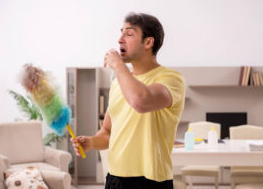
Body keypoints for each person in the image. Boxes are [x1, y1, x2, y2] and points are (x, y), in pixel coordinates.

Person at [71, 12, 186, 189]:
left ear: (148, 42)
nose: (120, 40)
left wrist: (118, 65)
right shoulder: (118, 84)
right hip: (115, 180)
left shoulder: (171, 79)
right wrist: (92, 142)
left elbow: (141, 101)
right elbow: (108, 131)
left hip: (150, 182)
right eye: (121, 33)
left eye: (129, 34)